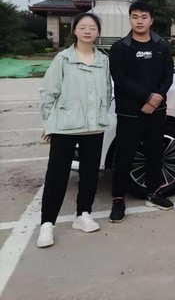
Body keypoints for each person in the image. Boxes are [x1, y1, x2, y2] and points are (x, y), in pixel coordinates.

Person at [37, 13, 112, 248]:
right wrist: (49, 122)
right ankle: (47, 224)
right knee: (57, 175)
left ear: (98, 32)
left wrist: (101, 114)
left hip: (94, 126)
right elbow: (49, 92)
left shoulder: (103, 60)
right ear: (75, 31)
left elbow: (107, 90)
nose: (88, 31)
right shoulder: (63, 59)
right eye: (83, 27)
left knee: (90, 173)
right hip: (65, 126)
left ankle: (83, 214)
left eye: (92, 28)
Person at [109, 1, 175, 222]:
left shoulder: (161, 46)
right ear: (130, 19)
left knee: (155, 153)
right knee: (124, 156)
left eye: (144, 17)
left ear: (151, 20)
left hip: (156, 111)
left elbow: (168, 77)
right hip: (129, 112)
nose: (139, 21)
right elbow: (120, 79)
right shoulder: (120, 48)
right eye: (135, 17)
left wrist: (155, 99)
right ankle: (118, 198)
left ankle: (154, 192)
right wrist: (147, 97)